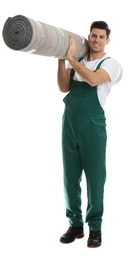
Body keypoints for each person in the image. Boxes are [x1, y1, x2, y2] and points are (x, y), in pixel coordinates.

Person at [57, 21, 122, 248]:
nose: (96, 40)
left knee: (95, 178)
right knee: (70, 177)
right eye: (93, 35)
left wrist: (72, 59)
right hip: (70, 122)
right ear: (89, 36)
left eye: (101, 37)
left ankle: (95, 227)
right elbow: (64, 87)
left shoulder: (111, 64)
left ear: (107, 41)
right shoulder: (80, 60)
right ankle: (75, 224)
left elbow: (93, 80)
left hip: (93, 126)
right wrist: (61, 57)